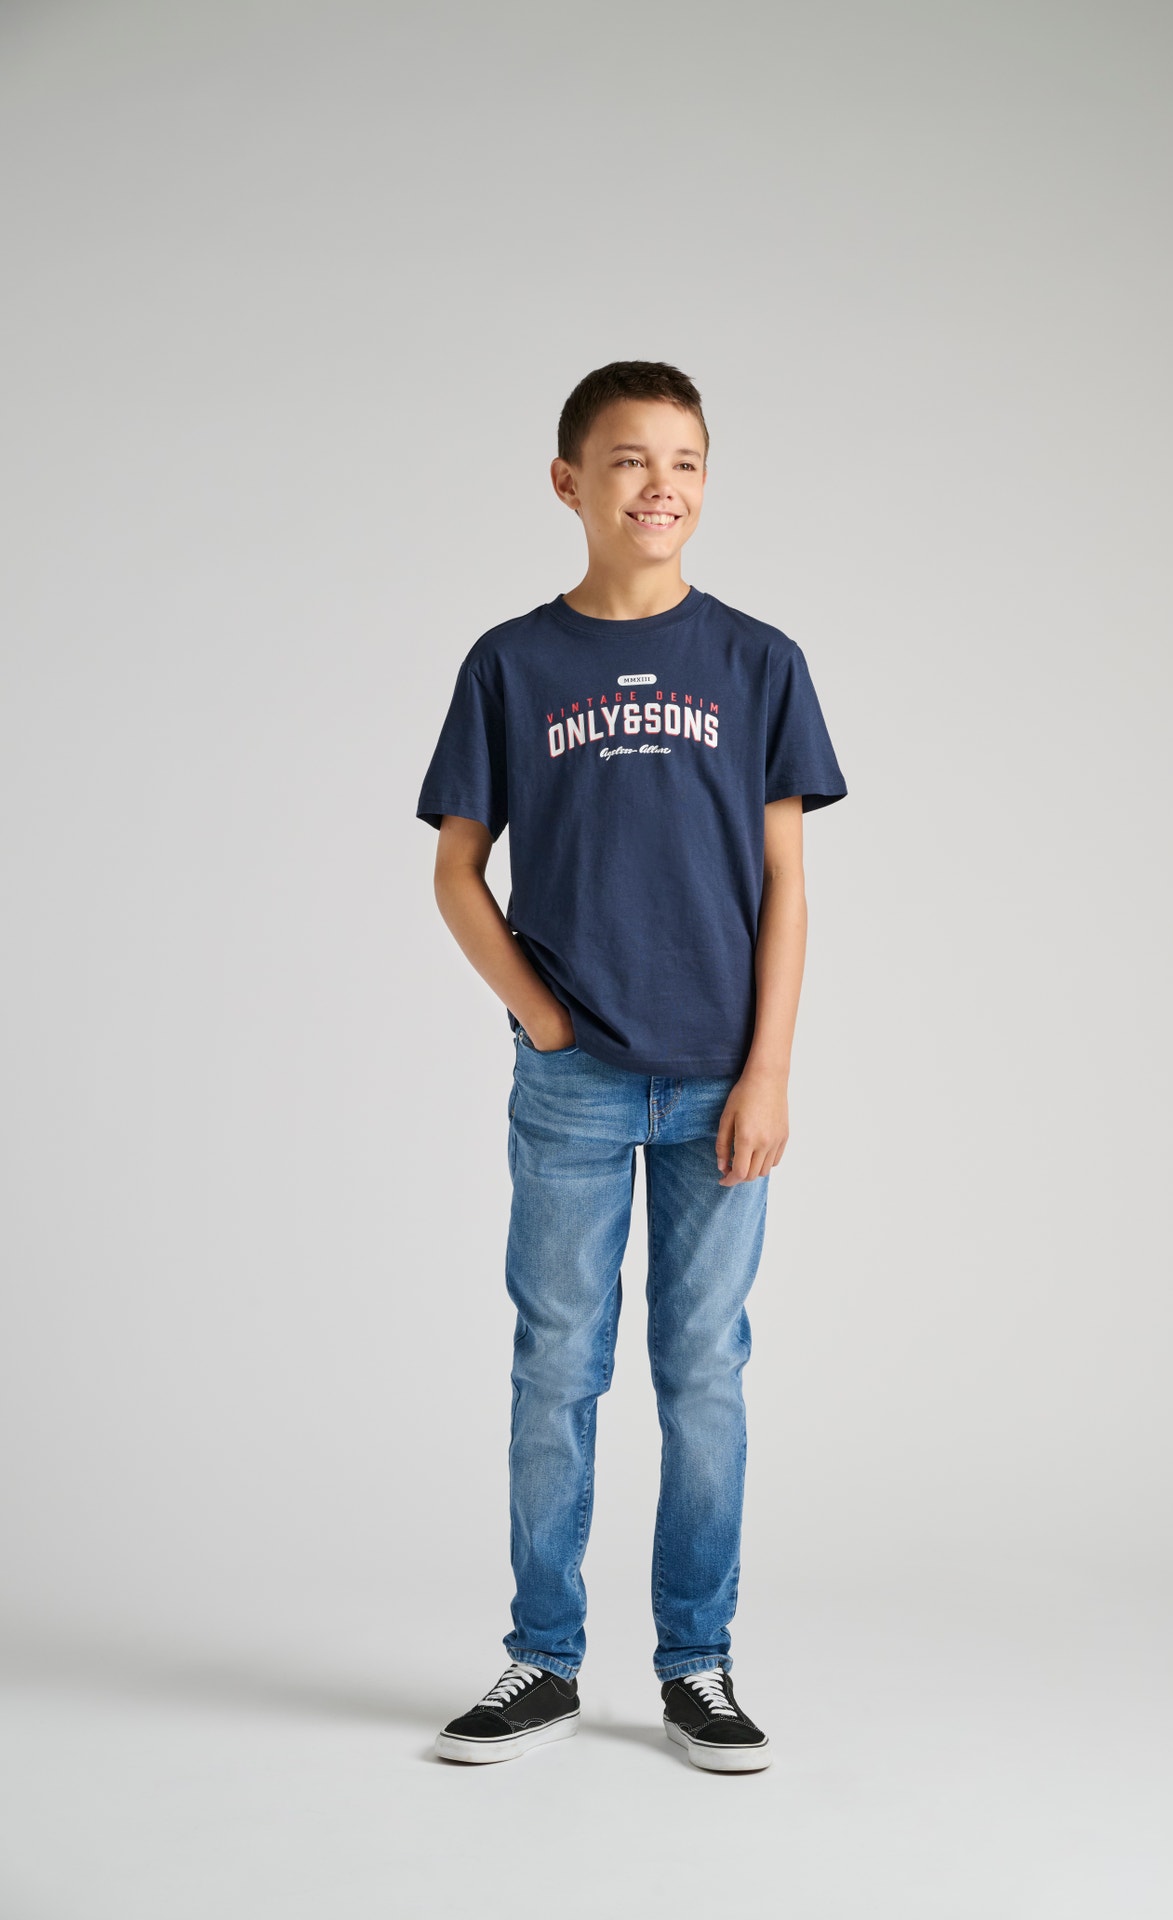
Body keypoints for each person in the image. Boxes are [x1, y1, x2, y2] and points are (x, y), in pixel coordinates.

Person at [416, 360, 847, 1771]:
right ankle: (542, 1659)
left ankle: (698, 1665)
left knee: (702, 1370)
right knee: (556, 1365)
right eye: (627, 460)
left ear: (706, 483)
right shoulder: (512, 664)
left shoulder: (758, 662)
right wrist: (543, 1021)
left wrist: (769, 1070)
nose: (660, 485)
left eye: (685, 461)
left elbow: (787, 884)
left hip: (722, 1080)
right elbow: (457, 870)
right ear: (569, 482)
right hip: (576, 1085)